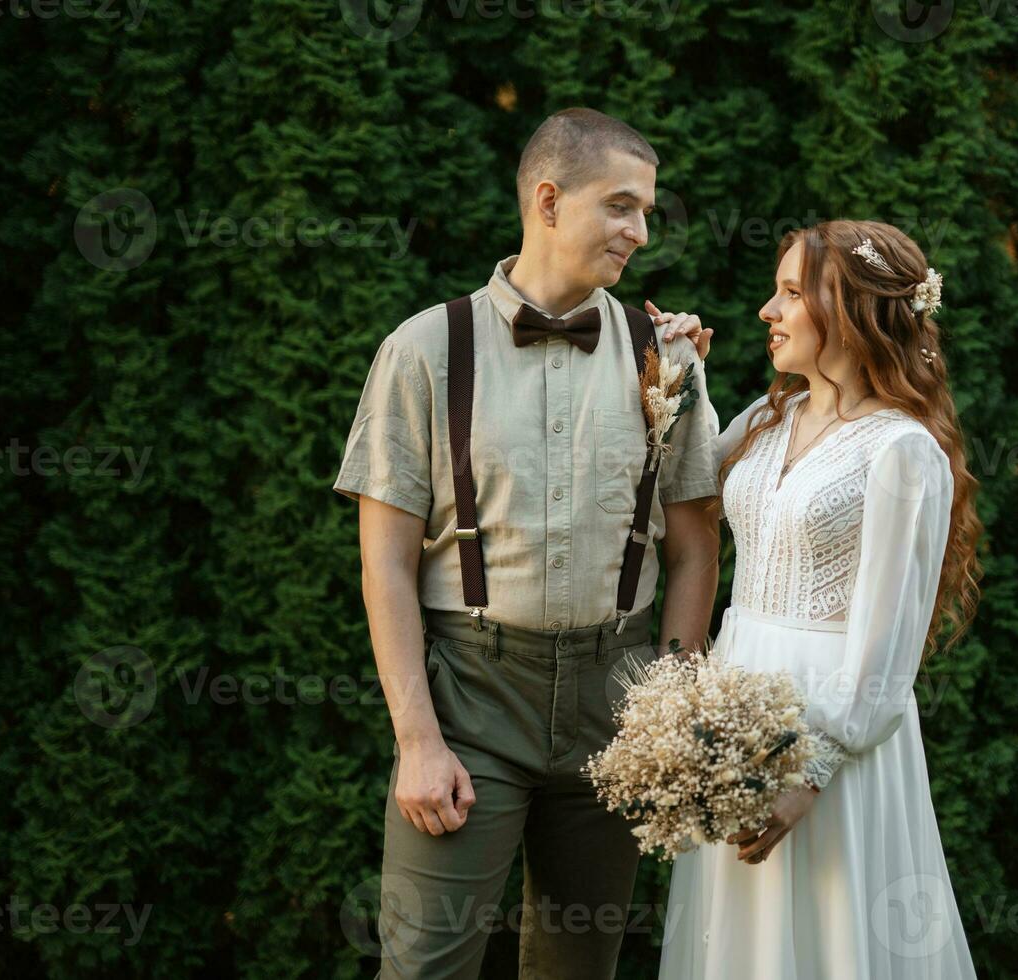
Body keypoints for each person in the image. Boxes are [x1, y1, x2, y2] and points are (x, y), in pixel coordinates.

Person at [332, 107, 721, 979]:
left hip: (617, 701)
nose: (641, 231)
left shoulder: (669, 358)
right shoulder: (424, 349)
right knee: (426, 965)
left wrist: (669, 707)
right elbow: (385, 562)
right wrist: (418, 741)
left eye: (648, 210)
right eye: (621, 206)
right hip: (471, 699)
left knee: (581, 968)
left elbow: (697, 548)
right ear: (548, 199)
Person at [657, 219, 985, 979]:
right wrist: (685, 376)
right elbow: (695, 482)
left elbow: (888, 645)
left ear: (855, 309)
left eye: (792, 293)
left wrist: (809, 775)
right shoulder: (775, 418)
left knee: (830, 938)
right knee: (740, 936)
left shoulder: (901, 450)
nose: (768, 312)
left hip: (829, 733)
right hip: (741, 702)